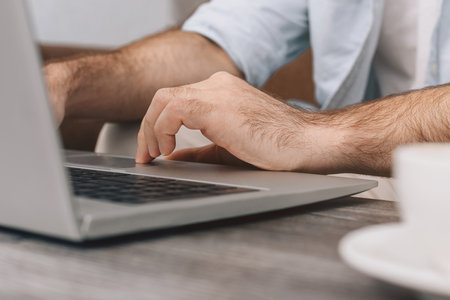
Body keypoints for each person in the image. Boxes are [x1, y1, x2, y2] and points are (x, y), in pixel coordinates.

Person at [45, 0, 450, 178]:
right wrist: (64, 84)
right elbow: (216, 42)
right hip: (361, 166)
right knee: (138, 134)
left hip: (408, 164)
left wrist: (309, 134)